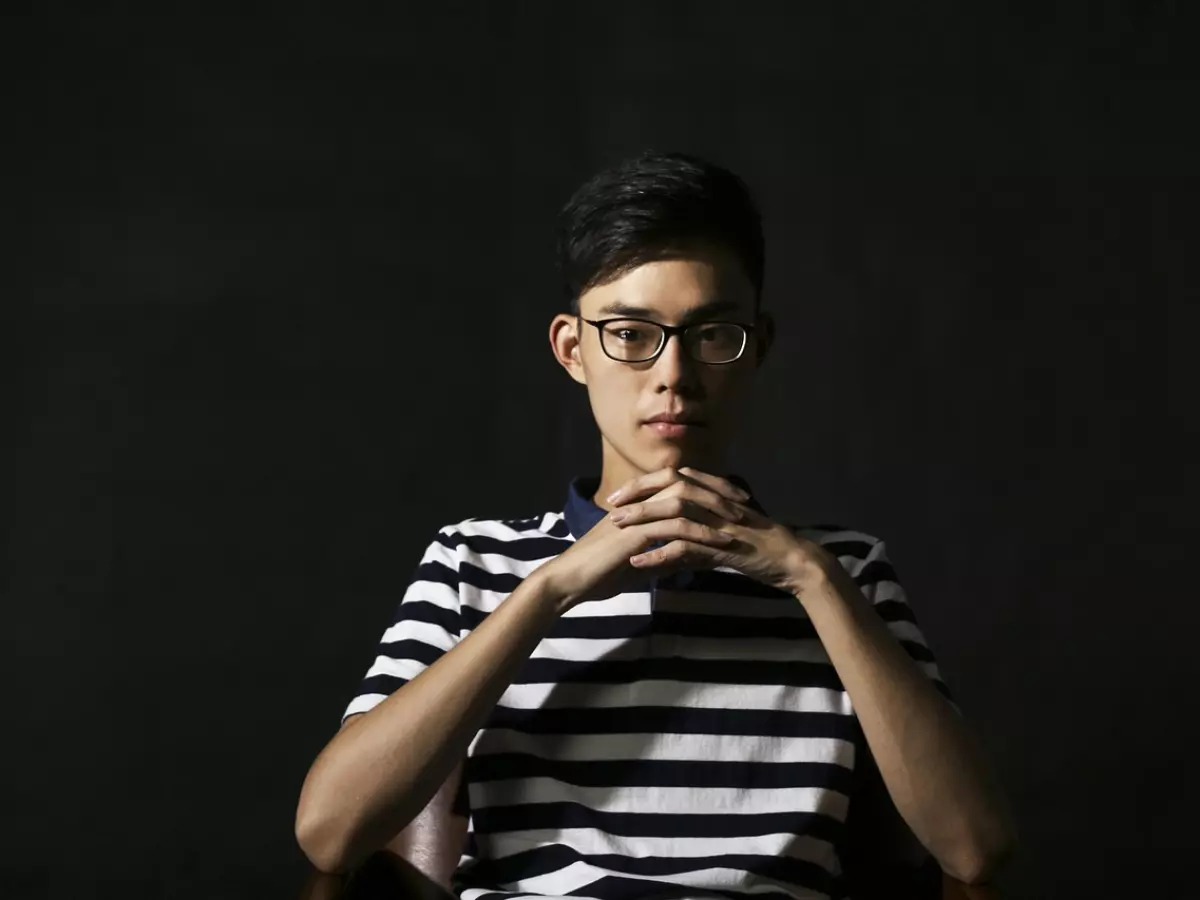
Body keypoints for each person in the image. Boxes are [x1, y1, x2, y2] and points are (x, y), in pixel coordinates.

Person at [295, 151, 1017, 900]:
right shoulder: (472, 561)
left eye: (713, 335)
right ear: (573, 349)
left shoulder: (844, 571)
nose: (674, 374)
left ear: (757, 348)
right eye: (633, 334)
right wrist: (556, 587)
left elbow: (975, 850)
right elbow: (330, 832)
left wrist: (807, 577)